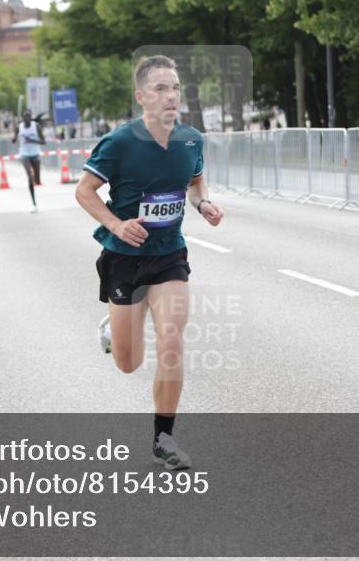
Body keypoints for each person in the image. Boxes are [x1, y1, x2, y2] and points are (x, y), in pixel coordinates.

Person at [75, 55, 224, 470]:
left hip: (169, 256)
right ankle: (114, 323)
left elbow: (194, 180)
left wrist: (204, 203)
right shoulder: (119, 143)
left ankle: (164, 439)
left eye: (174, 87)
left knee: (172, 344)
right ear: (141, 96)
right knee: (129, 363)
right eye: (160, 89)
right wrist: (117, 224)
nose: (171, 95)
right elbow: (84, 192)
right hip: (124, 260)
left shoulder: (191, 139)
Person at [12, 109, 45, 213]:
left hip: (35, 154)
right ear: (22, 118)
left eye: (28, 116)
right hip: (24, 153)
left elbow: (43, 141)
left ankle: (35, 179)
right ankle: (34, 203)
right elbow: (14, 139)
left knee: (37, 180)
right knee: (30, 177)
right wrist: (13, 139)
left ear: (31, 117)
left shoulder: (36, 126)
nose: (27, 118)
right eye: (25, 116)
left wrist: (32, 141)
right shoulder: (19, 127)